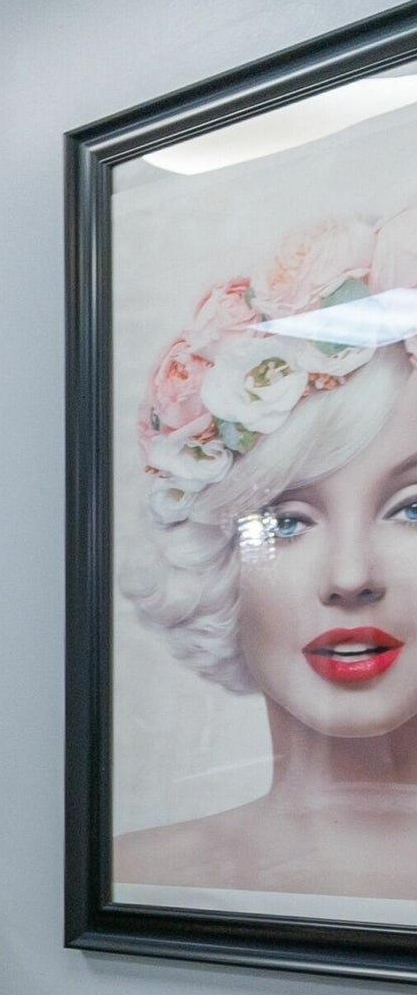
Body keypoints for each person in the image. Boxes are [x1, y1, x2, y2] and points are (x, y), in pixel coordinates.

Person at [116, 209, 417, 903]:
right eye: (285, 522)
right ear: (217, 565)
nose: (350, 578)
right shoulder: (138, 879)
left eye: (412, 510)